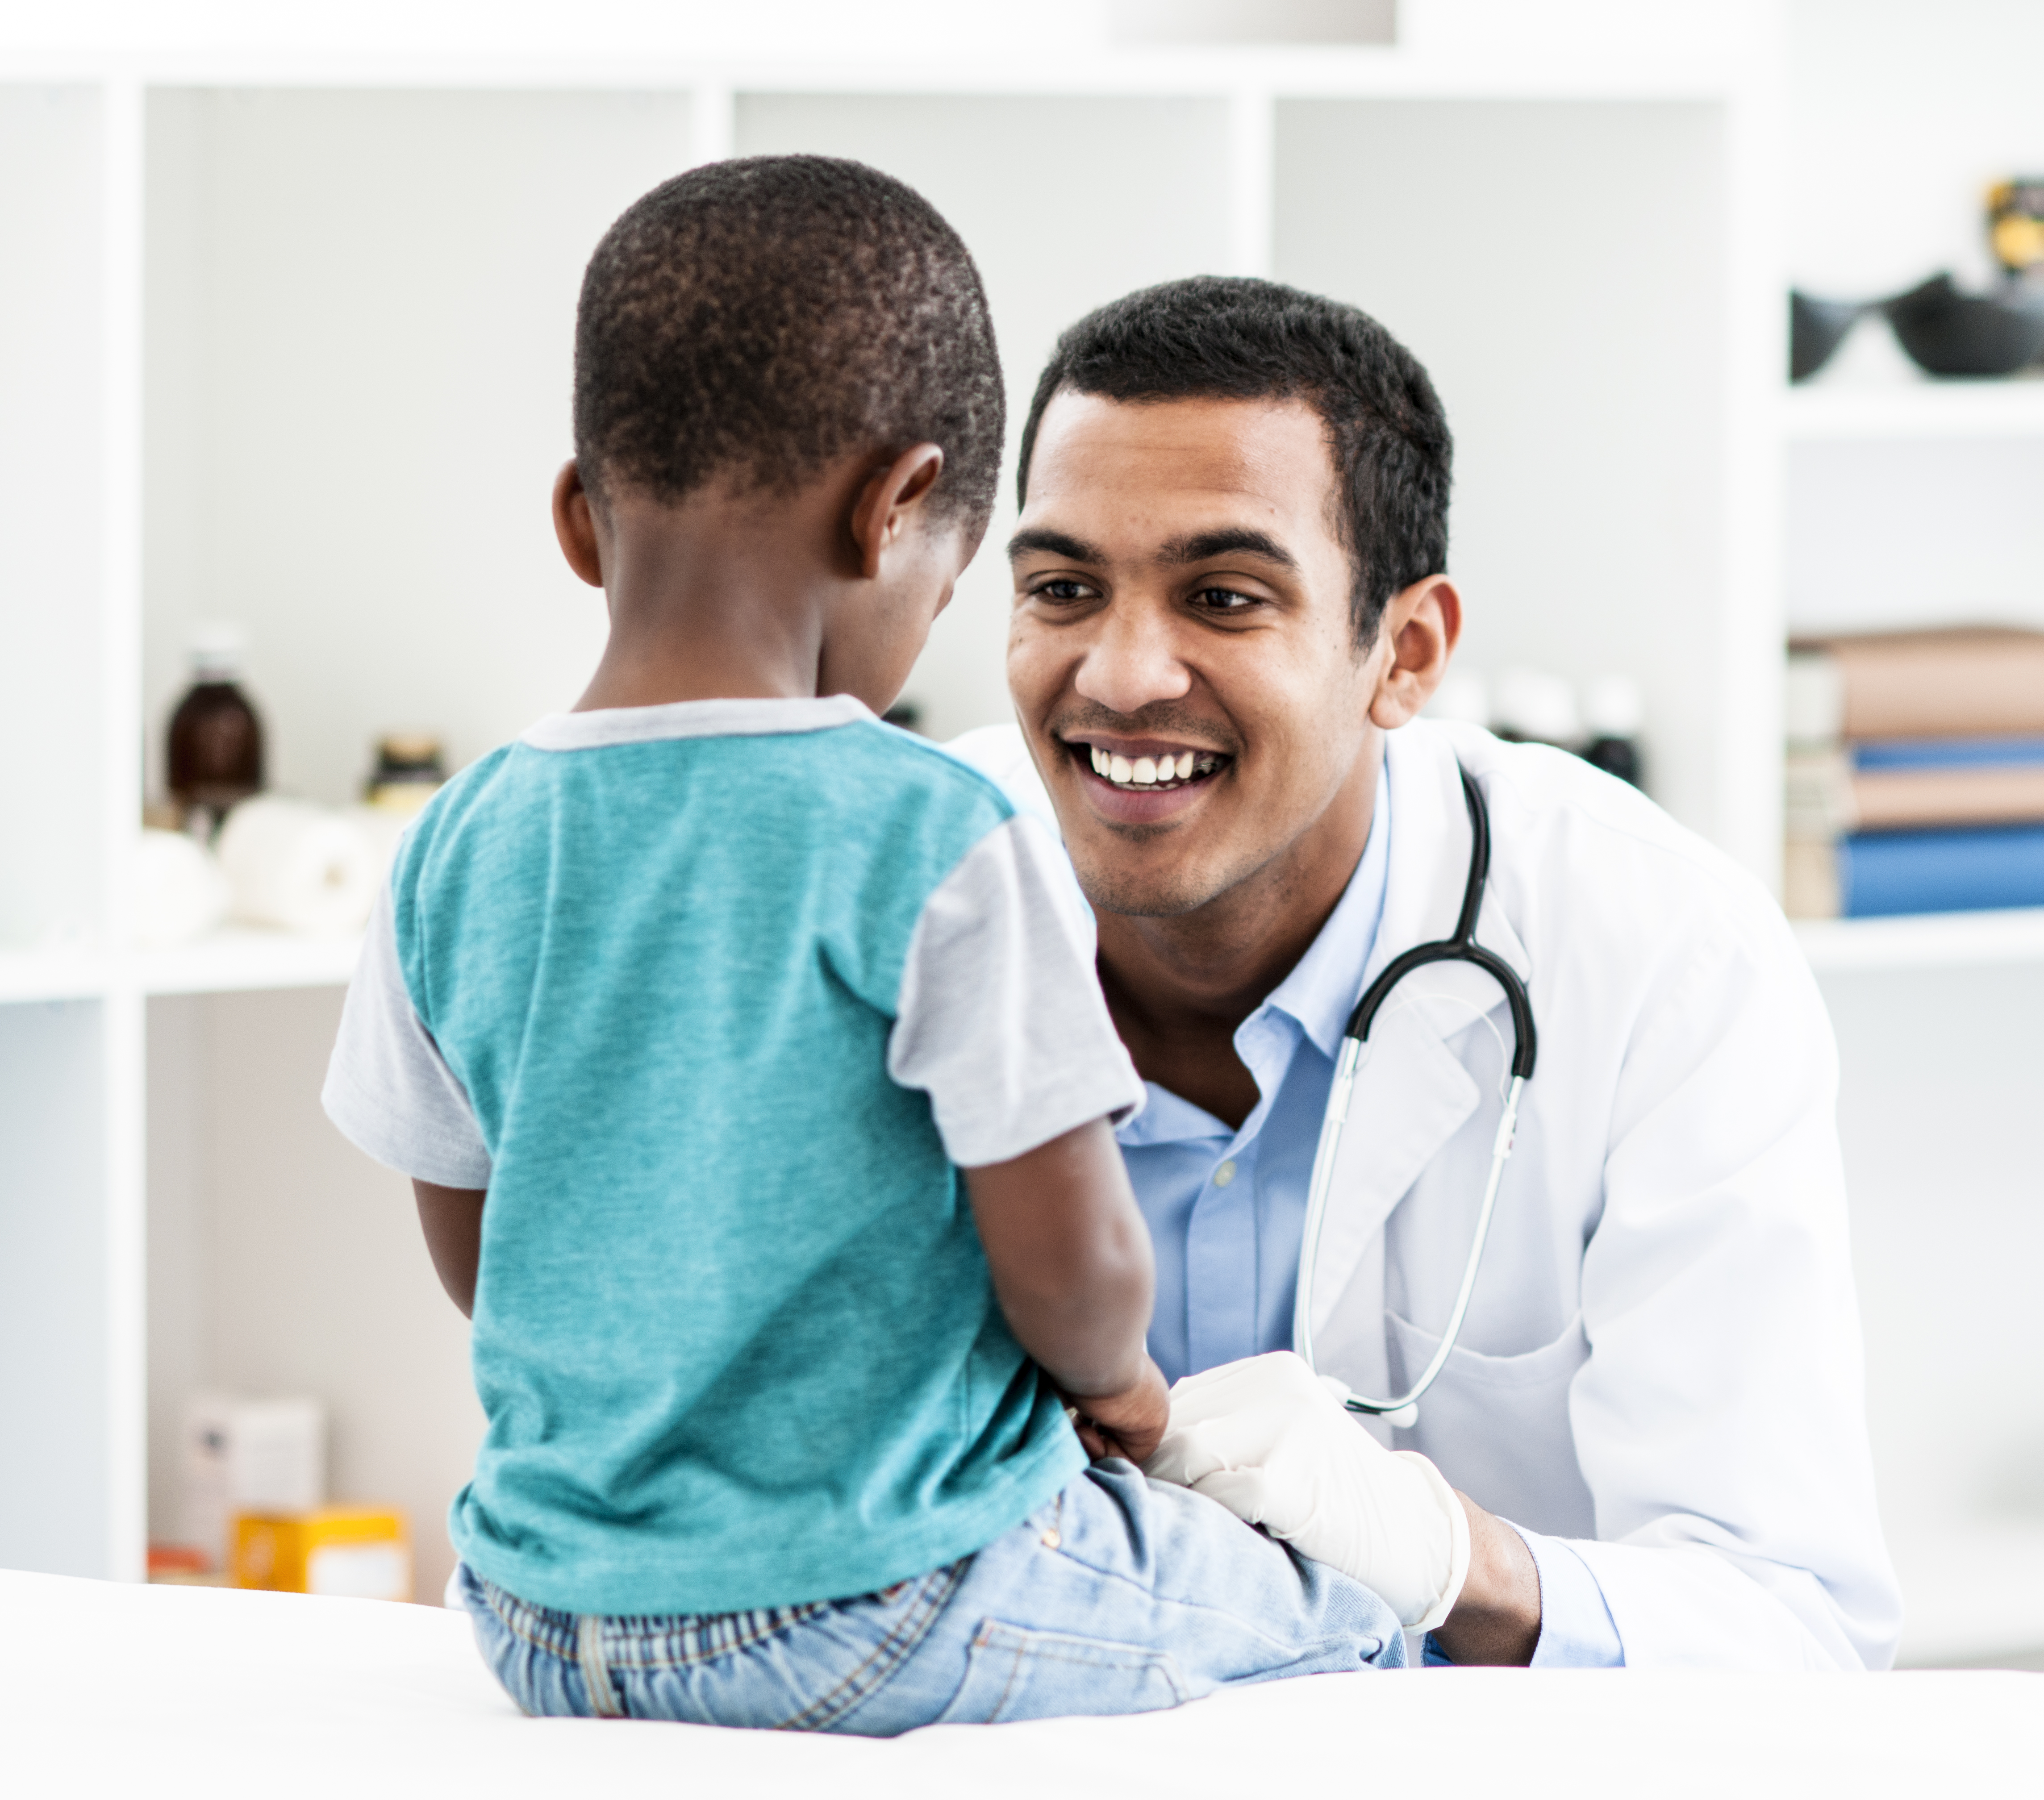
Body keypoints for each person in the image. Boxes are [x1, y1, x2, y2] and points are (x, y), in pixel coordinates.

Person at [317, 159, 1417, 1735]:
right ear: (894, 508)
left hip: (543, 1615)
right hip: (876, 1600)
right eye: (966, 576)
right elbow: (1077, 1265)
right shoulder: (931, 837)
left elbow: (480, 1256)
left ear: (580, 517)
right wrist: (1123, 1396)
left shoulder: (457, 842)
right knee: (1342, 1625)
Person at [948, 276, 1903, 1670]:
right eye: (1062, 590)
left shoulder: (1657, 956)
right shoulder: (900, 899)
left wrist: (1451, 1557)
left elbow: (1796, 1626)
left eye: (1222, 596)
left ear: (1406, 653)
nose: (1124, 672)